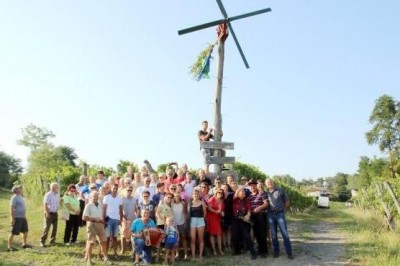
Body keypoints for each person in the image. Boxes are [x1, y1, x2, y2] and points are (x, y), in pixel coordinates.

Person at [265, 178, 294, 260]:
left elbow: (287, 201)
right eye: (267, 182)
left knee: (285, 233)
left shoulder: (280, 190)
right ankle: (276, 252)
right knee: (274, 235)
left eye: (270, 182)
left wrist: (283, 209)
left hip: (280, 214)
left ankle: (289, 253)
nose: (269, 183)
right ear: (266, 185)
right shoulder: (266, 193)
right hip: (270, 215)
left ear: (273, 182)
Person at [82, 191, 109, 266]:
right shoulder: (89, 205)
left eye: (97, 196)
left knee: (104, 241)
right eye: (94, 196)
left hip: (100, 224)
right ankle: (89, 260)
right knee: (91, 242)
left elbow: (101, 216)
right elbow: (84, 217)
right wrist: (94, 219)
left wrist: (102, 222)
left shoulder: (100, 205)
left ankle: (106, 258)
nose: (96, 198)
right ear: (91, 197)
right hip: (91, 224)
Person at [231, 188, 257, 260]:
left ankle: (253, 253)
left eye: (244, 192)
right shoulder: (235, 199)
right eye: (241, 192)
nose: (243, 193)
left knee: (247, 236)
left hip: (244, 220)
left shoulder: (247, 200)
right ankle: (237, 251)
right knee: (235, 236)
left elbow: (248, 210)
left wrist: (247, 216)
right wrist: (240, 188)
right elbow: (236, 193)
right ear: (238, 193)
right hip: (236, 220)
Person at [248, 178, 268, 258]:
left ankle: (264, 251)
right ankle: (260, 249)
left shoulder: (261, 193)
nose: (252, 187)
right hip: (253, 216)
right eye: (251, 186)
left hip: (260, 215)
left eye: (253, 185)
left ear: (256, 185)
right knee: (256, 234)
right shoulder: (249, 196)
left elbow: (266, 203)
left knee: (262, 234)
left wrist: (260, 207)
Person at [8, 183, 31, 252]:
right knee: (13, 232)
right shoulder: (14, 197)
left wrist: (24, 216)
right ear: (16, 190)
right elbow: (11, 208)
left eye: (20, 188)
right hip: (17, 217)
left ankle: (24, 243)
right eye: (19, 188)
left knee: (25, 230)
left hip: (22, 217)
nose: (21, 189)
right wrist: (12, 218)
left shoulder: (21, 197)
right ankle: (9, 247)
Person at [103, 184, 123, 260]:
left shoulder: (119, 198)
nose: (115, 189)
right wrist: (103, 219)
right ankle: (106, 254)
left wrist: (120, 219)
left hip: (116, 220)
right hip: (108, 219)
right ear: (111, 188)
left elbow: (121, 209)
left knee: (115, 238)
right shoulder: (106, 197)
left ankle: (115, 253)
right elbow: (104, 209)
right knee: (107, 238)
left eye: (116, 188)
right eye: (114, 188)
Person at [40, 182, 61, 247]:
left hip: (55, 213)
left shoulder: (57, 195)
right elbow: (45, 204)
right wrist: (47, 213)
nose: (57, 188)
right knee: (46, 228)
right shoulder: (48, 195)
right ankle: (42, 241)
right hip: (49, 213)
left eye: (57, 187)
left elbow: (59, 202)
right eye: (56, 187)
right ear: (53, 188)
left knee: (55, 228)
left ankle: (52, 240)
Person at [188, 189, 207, 260]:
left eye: (197, 194)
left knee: (200, 239)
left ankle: (200, 255)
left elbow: (205, 213)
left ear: (199, 195)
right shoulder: (190, 203)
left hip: (200, 220)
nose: (196, 195)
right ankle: (193, 256)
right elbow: (188, 213)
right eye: (194, 194)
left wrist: (201, 219)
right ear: (192, 195)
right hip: (192, 220)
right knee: (193, 239)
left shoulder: (202, 203)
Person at [206, 188, 225, 255]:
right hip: (211, 218)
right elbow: (209, 207)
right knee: (212, 234)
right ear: (216, 193)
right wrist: (215, 211)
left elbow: (222, 210)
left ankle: (220, 250)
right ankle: (214, 251)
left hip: (217, 219)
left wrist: (222, 213)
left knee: (219, 234)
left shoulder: (222, 201)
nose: (220, 194)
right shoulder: (212, 198)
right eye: (219, 192)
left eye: (221, 193)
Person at [120, 185, 137, 254]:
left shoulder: (134, 199)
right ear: (125, 191)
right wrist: (123, 216)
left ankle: (133, 250)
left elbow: (135, 209)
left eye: (130, 190)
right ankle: (123, 249)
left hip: (132, 219)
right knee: (123, 235)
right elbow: (120, 209)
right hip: (124, 219)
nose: (129, 191)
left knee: (132, 235)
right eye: (128, 190)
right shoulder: (122, 199)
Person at [172, 193, 188, 259]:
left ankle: (186, 254)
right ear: (174, 197)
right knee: (176, 240)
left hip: (182, 223)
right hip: (174, 224)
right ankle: (177, 254)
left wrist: (185, 222)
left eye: (178, 196)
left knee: (183, 238)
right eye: (176, 196)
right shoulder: (172, 204)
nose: (177, 197)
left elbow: (185, 213)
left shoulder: (183, 203)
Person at [221, 183, 233, 252]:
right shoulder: (220, 195)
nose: (225, 189)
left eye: (226, 187)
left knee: (229, 231)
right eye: (223, 187)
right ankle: (224, 245)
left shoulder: (231, 195)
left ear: (228, 188)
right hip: (222, 216)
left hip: (230, 215)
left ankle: (229, 245)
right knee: (223, 231)